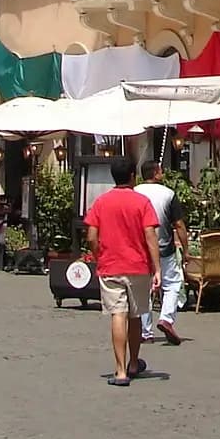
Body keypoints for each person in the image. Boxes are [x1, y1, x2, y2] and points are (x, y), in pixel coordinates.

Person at [82, 157, 160, 387]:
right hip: (138, 265)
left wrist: (99, 256)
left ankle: (119, 371)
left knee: (118, 314)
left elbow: (91, 237)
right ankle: (134, 362)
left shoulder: (101, 203)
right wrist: (157, 268)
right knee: (135, 315)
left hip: (111, 265)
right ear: (133, 176)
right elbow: (150, 237)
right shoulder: (142, 202)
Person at [133, 159, 187, 346]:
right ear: (156, 173)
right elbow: (178, 224)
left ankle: (145, 331)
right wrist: (186, 249)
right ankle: (166, 318)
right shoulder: (168, 194)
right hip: (164, 248)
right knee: (172, 284)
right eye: (161, 170)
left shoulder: (134, 193)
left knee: (143, 290)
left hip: (140, 249)